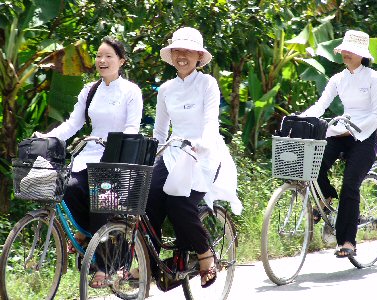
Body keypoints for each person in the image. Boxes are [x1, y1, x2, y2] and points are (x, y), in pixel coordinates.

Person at [35, 36, 143, 287]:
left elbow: (132, 128)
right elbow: (74, 123)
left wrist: (117, 147)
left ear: (121, 61)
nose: (102, 60)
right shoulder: (90, 90)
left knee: (100, 201)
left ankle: (105, 267)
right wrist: (48, 137)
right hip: (89, 154)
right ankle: (86, 234)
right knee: (69, 188)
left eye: (109, 56)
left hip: (115, 158)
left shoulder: (131, 91)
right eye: (98, 56)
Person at [147, 27, 242, 288]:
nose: (182, 56)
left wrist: (201, 144)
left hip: (204, 155)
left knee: (179, 205)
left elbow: (211, 123)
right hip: (173, 153)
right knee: (149, 199)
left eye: (188, 51)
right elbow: (159, 131)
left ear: (198, 56)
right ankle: (151, 266)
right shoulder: (165, 89)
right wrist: (149, 152)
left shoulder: (207, 84)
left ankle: (205, 254)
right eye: (177, 50)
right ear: (171, 54)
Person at [300, 29, 377, 258]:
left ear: (362, 54)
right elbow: (320, 105)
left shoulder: (373, 78)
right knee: (312, 163)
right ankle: (326, 196)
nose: (346, 54)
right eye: (345, 50)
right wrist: (300, 117)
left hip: (365, 137)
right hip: (340, 132)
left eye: (352, 51)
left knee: (350, 184)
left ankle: (347, 240)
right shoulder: (338, 79)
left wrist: (357, 130)